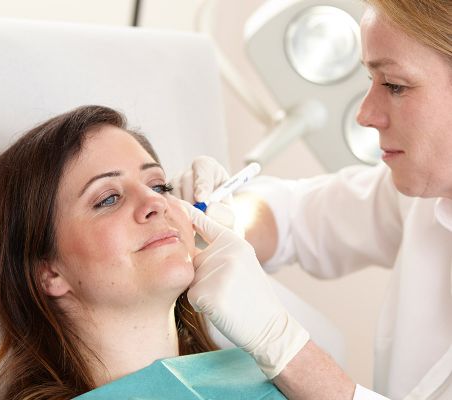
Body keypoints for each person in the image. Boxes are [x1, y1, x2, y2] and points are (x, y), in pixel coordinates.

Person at [172, 0, 452, 399]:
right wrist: (229, 220)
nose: (365, 114)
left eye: (394, 85)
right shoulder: (423, 194)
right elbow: (297, 218)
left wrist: (285, 349)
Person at [0, 105, 224, 399]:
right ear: (49, 271)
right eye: (108, 199)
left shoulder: (253, 363)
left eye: (159, 186)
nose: (156, 203)